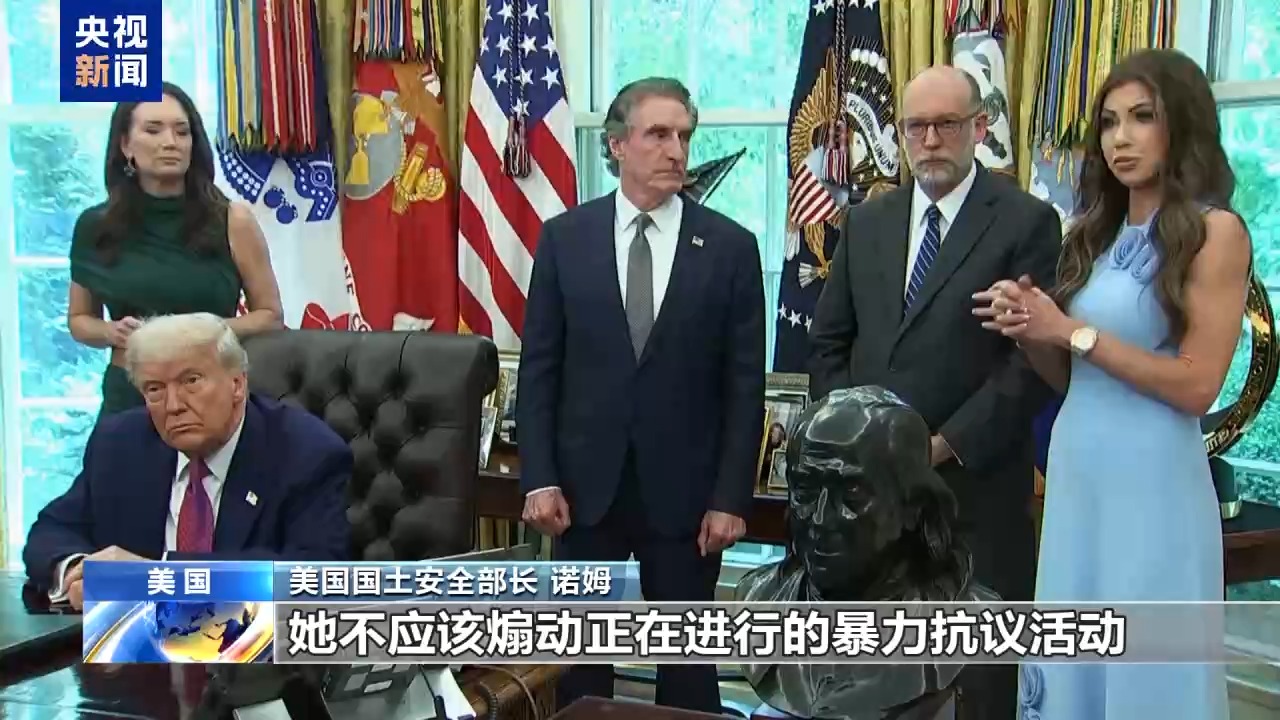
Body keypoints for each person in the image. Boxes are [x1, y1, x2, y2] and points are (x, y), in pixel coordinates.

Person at [974, 48, 1244, 719]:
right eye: (1109, 122)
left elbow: (1198, 386)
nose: (1120, 138)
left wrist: (1071, 330)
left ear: (1181, 124)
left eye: (1142, 117)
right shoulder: (1094, 234)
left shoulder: (1216, 232)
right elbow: (1072, 379)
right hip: (1079, 474)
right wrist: (1032, 329)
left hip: (1152, 485)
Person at [807, 65, 1061, 720]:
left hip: (973, 497)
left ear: (980, 126)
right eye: (915, 126)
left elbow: (1029, 365)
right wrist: (855, 446)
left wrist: (940, 446)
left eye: (946, 124)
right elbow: (830, 343)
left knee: (976, 689)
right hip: (872, 507)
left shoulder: (1026, 221)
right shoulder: (867, 221)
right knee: (875, 689)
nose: (930, 140)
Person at [517, 77, 765, 713]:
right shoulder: (565, 238)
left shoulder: (731, 248)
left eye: (683, 136)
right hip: (583, 497)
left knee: (687, 673)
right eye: (658, 134)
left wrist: (730, 498)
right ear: (617, 145)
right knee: (580, 668)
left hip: (686, 502)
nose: (676, 150)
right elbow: (540, 370)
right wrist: (539, 478)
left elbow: (744, 387)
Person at [24, 313, 352, 611]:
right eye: (154, 389)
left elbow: (312, 576)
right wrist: (80, 570)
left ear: (237, 384)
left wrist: (157, 579)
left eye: (191, 381)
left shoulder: (306, 453)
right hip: (132, 646)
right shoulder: (120, 443)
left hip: (253, 650)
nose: (173, 405)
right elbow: (52, 530)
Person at [68, 82, 283, 423]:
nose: (170, 142)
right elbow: (80, 320)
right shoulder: (96, 226)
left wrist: (198, 332)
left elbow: (270, 316)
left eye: (182, 132)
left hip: (209, 393)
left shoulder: (233, 220)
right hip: (130, 395)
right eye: (153, 130)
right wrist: (111, 332)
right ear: (126, 144)